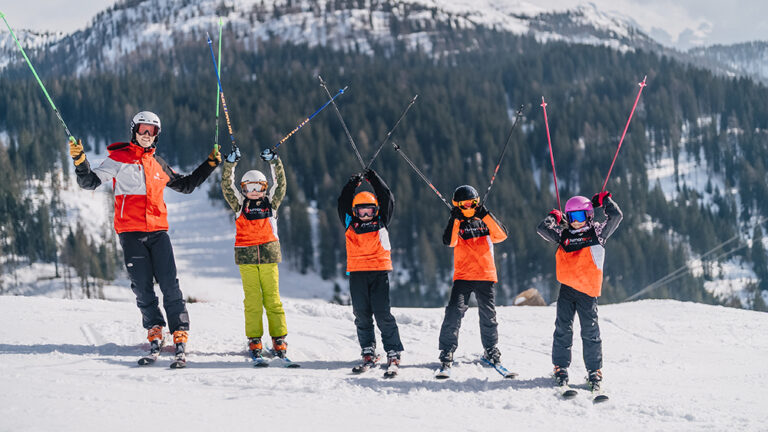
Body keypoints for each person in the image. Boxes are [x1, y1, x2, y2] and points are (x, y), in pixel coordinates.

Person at [68, 111, 220, 367]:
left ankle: (179, 330)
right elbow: (90, 182)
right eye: (143, 129)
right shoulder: (118, 159)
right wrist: (80, 161)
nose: (147, 135)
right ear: (134, 130)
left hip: (158, 233)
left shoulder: (157, 163)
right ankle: (155, 327)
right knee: (142, 287)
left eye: (152, 131)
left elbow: (186, 185)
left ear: (157, 135)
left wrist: (210, 164)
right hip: (131, 233)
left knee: (170, 285)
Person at [536, 191, 623, 391]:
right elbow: (542, 228)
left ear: (589, 216)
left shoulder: (598, 233)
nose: (575, 222)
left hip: (588, 291)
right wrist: (554, 217)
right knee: (562, 329)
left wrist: (605, 201)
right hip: (567, 290)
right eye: (571, 217)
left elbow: (616, 217)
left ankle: (594, 370)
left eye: (580, 217)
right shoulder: (563, 235)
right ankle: (560, 367)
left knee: (590, 331)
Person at [221, 147, 291, 364]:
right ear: (243, 189)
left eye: (258, 187)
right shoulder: (240, 205)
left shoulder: (272, 203)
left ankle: (279, 338)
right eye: (249, 187)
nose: (253, 191)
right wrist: (230, 165)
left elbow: (281, 183)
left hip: (269, 257)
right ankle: (254, 339)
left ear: (264, 188)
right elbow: (226, 186)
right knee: (252, 300)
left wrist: (275, 161)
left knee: (272, 299)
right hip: (247, 259)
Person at [337, 169, 404, 372]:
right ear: (355, 212)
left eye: (369, 211)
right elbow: (342, 202)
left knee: (383, 313)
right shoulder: (350, 223)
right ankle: (368, 350)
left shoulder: (382, 220)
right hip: (357, 273)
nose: (365, 215)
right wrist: (352, 185)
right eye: (361, 211)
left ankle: (393, 351)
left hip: (378, 272)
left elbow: (387, 198)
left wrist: (373, 178)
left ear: (375, 211)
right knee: (361, 314)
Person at [438, 185, 508, 371]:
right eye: (463, 204)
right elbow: (450, 241)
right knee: (454, 312)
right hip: (463, 276)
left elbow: (501, 235)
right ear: (457, 205)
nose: (468, 207)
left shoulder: (484, 219)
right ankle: (447, 350)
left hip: (485, 274)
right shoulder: (457, 221)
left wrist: (485, 215)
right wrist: (454, 219)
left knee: (488, 314)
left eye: (472, 203)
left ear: (477, 203)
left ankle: (491, 349)